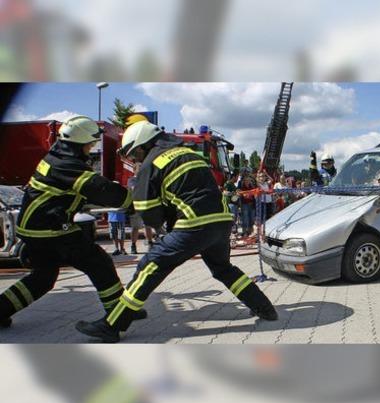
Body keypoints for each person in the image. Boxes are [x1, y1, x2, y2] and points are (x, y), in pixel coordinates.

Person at [75, 121, 278, 342]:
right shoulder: (188, 153)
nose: (135, 159)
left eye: (135, 153)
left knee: (150, 266)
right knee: (223, 269)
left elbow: (148, 214)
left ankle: (113, 325)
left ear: (143, 145)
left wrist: (162, 218)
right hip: (221, 221)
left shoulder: (151, 164)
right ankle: (265, 308)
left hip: (193, 224)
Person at [0, 116, 145, 329]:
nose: (91, 147)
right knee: (98, 262)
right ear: (80, 143)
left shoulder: (56, 158)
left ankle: (1, 309)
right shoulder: (67, 165)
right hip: (49, 229)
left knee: (43, 278)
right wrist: (132, 201)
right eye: (90, 143)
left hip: (36, 227)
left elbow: (78, 192)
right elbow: (99, 189)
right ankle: (119, 313)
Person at [127, 170, 155, 254]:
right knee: (135, 227)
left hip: (146, 205)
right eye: (138, 169)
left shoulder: (147, 179)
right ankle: (133, 246)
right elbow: (134, 189)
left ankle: (150, 243)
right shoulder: (132, 180)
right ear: (134, 171)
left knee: (148, 226)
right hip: (136, 207)